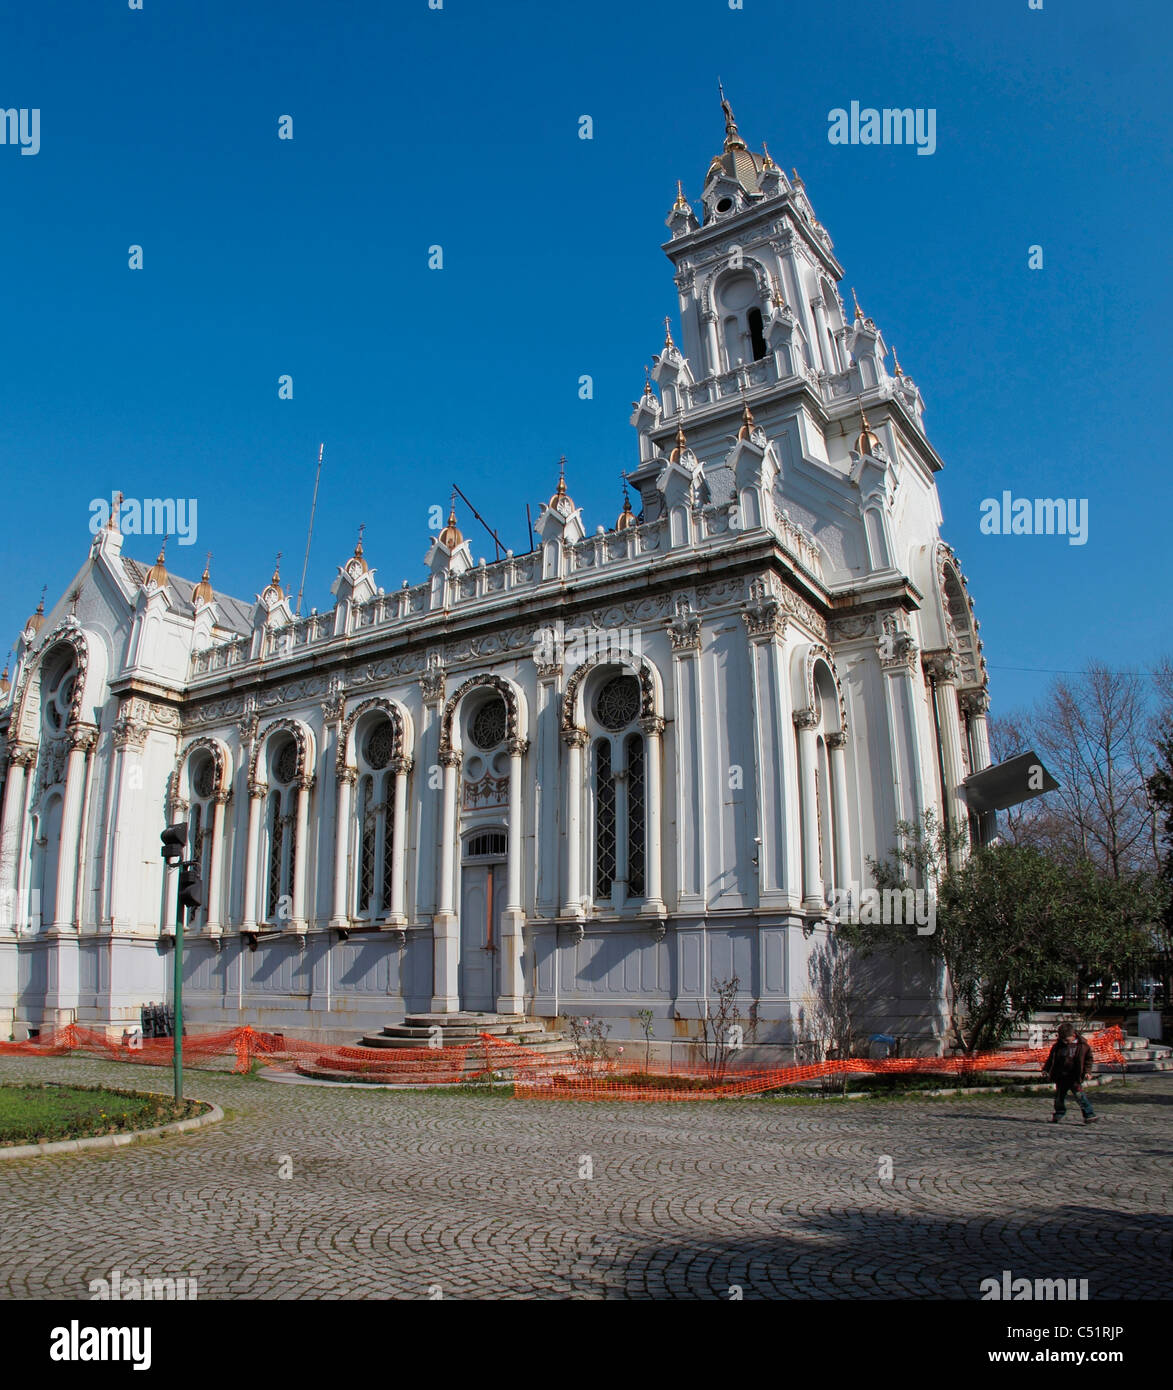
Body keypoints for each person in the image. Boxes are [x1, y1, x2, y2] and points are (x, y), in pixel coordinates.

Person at [1042, 1022, 1098, 1124]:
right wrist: (1046, 1069)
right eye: (1063, 1040)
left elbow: (1088, 1060)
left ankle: (1089, 1114)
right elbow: (1051, 1059)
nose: (1065, 1042)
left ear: (1073, 1036)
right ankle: (1059, 1112)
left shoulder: (1083, 1046)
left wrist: (1087, 1072)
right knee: (1059, 1097)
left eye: (1067, 1040)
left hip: (1074, 1077)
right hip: (1061, 1076)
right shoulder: (1058, 1046)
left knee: (1080, 1097)